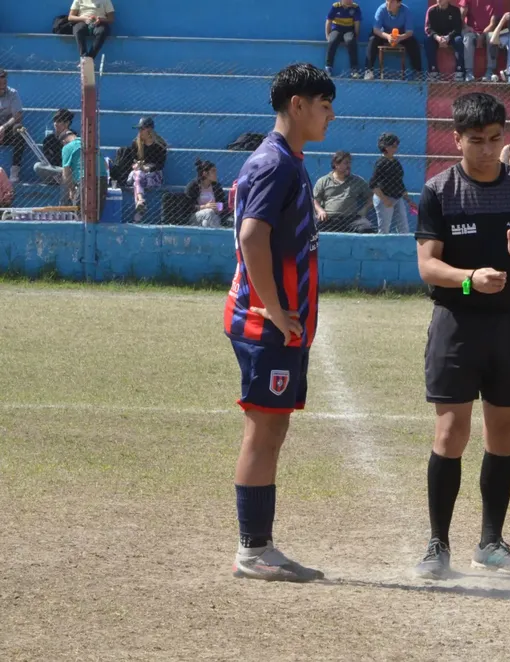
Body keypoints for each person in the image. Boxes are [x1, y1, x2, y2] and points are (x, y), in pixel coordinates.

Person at [413, 92, 510, 580]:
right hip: (456, 324)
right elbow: (427, 265)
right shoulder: (439, 189)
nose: (486, 150)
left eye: (495, 140)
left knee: (503, 433)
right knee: (451, 432)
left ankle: (490, 543)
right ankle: (437, 545)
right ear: (455, 139)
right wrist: (471, 277)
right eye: (475, 141)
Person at [224, 63, 335, 583]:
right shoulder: (278, 164)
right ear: (297, 104)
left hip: (281, 324)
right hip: (265, 325)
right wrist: (271, 305)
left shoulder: (289, 161)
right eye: (323, 104)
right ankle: (252, 549)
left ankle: (261, 544)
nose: (330, 114)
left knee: (273, 427)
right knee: (262, 431)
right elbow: (251, 237)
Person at [112, 117, 167, 222]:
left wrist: (147, 168)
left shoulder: (160, 145)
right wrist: (137, 166)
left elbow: (160, 165)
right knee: (138, 174)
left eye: (142, 129)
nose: (140, 131)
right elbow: (133, 163)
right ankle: (140, 201)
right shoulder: (135, 144)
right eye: (139, 129)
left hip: (154, 177)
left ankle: (140, 204)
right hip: (138, 175)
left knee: (138, 178)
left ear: (149, 130)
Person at [313, 151, 375, 232]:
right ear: (336, 164)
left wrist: (364, 210)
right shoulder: (323, 181)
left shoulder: (357, 181)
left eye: (349, 163)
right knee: (314, 229)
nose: (349, 166)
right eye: (346, 163)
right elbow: (314, 200)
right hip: (329, 218)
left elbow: (372, 197)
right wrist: (320, 211)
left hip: (351, 219)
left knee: (367, 229)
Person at [365, 0, 423, 80]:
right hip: (384, 34)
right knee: (373, 39)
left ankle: (418, 73)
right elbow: (376, 29)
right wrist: (388, 37)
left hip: (401, 35)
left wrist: (400, 37)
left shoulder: (406, 11)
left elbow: (409, 32)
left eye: (391, 1)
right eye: (387, 0)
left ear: (399, 3)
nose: (388, 3)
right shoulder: (381, 9)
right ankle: (368, 70)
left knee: (413, 42)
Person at [370, 132, 415, 233]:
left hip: (397, 197)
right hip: (384, 197)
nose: (396, 148)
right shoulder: (380, 163)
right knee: (384, 229)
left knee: (404, 228)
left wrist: (409, 200)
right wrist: (385, 200)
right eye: (393, 146)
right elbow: (373, 184)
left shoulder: (395, 162)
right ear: (385, 147)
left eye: (396, 146)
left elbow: (399, 183)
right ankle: (380, 248)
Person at [61, 128, 109, 219]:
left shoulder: (67, 147)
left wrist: (71, 190)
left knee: (79, 213)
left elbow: (65, 173)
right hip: (102, 178)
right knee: (96, 215)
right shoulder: (89, 143)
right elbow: (106, 165)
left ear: (64, 141)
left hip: (85, 178)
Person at [460, 0, 503, 81]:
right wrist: (466, 27)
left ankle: (490, 71)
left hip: (488, 31)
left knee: (491, 37)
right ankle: (469, 72)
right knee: (468, 38)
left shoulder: (497, 1)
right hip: (471, 30)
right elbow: (461, 17)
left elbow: (493, 23)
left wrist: (482, 35)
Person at [34, 109, 75, 193]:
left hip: (68, 172)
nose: (56, 123)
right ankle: (57, 180)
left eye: (59, 121)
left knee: (67, 173)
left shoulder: (73, 137)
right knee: (37, 166)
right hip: (54, 170)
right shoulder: (49, 139)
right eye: (54, 120)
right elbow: (46, 159)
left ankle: (64, 183)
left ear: (67, 123)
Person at [426, 0, 467, 79]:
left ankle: (459, 70)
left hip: (451, 37)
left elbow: (457, 28)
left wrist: (448, 37)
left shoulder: (455, 10)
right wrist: (437, 37)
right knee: (427, 41)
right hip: (437, 37)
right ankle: (433, 70)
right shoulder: (431, 10)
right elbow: (429, 29)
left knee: (459, 40)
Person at [184, 159, 228, 228]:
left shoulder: (216, 186)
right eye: (213, 171)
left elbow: (223, 204)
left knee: (206, 223)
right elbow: (187, 207)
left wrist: (218, 208)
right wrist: (205, 207)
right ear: (205, 173)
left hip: (214, 216)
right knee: (209, 212)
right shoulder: (193, 186)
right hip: (195, 216)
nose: (216, 173)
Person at [325, 0, 363, 78]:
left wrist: (356, 36)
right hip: (337, 30)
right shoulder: (335, 6)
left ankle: (354, 69)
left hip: (349, 30)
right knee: (332, 40)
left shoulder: (355, 7)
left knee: (350, 41)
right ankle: (328, 67)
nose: (349, 1)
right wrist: (327, 35)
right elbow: (329, 21)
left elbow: (357, 24)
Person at [0, 70, 26, 184]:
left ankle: (14, 171)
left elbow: (18, 115)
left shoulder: (12, 93)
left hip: (8, 131)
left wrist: (3, 127)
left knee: (19, 129)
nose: (3, 87)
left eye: (4, 84)